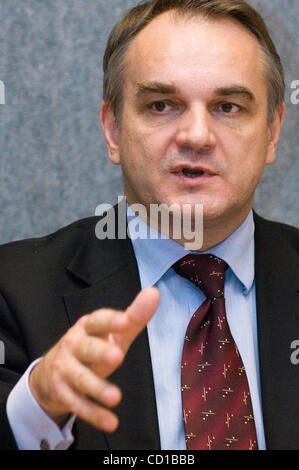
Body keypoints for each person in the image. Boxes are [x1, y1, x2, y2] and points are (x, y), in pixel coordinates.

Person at [0, 0, 298, 451]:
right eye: (162, 105)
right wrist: (37, 407)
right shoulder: (12, 289)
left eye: (228, 106)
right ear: (113, 129)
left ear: (273, 131)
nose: (196, 135)